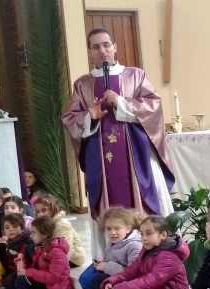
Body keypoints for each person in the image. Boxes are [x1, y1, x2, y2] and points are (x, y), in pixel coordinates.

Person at [61, 28, 175, 260]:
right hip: (100, 159)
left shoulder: (135, 75)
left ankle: (155, 255)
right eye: (96, 47)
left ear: (115, 47)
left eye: (106, 45)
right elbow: (70, 118)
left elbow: (154, 106)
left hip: (136, 155)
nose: (102, 50)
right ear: (90, 52)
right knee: (107, 203)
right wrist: (89, 117)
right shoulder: (83, 84)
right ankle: (110, 260)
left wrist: (122, 102)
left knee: (144, 201)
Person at [0, 216, 73, 289]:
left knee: (21, 280)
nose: (31, 235)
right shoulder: (41, 247)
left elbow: (54, 277)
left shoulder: (57, 252)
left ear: (44, 234)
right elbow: (37, 268)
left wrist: (29, 272)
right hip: (47, 284)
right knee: (14, 277)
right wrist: (22, 263)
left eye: (34, 232)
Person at [80, 206, 143, 289]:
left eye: (117, 228)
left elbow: (134, 273)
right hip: (117, 275)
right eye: (108, 229)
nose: (112, 233)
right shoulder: (114, 241)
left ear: (128, 228)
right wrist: (103, 263)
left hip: (130, 281)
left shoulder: (135, 245)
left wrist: (107, 266)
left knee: (100, 280)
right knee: (87, 278)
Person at [33, 193, 87, 267]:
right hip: (54, 253)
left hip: (74, 259)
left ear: (53, 209)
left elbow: (67, 249)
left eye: (44, 210)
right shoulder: (44, 223)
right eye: (38, 211)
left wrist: (57, 266)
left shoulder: (62, 225)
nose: (40, 214)